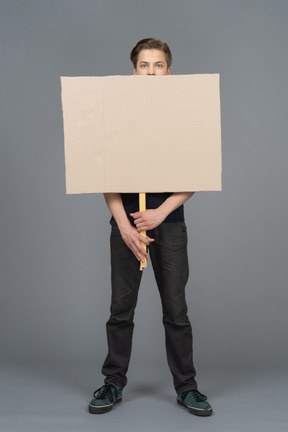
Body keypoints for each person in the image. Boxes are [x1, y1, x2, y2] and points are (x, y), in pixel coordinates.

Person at [89, 38, 212, 417]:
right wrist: (125, 225)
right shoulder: (117, 119)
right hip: (126, 224)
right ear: (134, 71)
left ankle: (187, 387)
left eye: (158, 65)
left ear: (169, 72)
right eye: (144, 65)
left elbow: (197, 174)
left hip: (169, 226)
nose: (151, 71)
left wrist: (160, 213)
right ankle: (113, 381)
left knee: (176, 310)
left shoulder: (182, 118)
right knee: (121, 309)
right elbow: (104, 176)